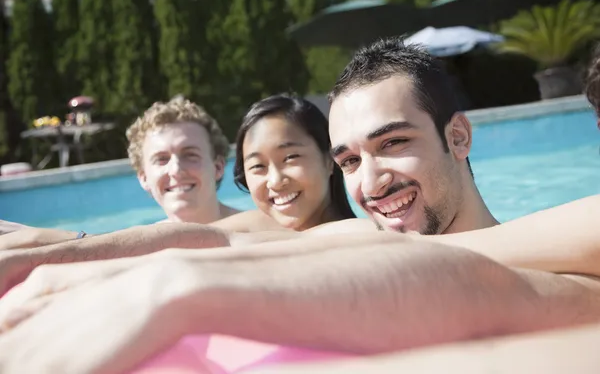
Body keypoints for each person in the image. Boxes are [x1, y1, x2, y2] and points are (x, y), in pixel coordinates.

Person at [0, 38, 600, 373]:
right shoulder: (351, 237)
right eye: (348, 160)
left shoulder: (569, 259)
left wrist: (177, 289)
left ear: (459, 136)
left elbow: (486, 282)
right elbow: (229, 239)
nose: (371, 181)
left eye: (393, 143)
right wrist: (60, 254)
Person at [0, 99, 240, 250]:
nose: (175, 169)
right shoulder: (138, 243)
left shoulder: (260, 228)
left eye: (190, 155)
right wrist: (31, 237)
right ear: (143, 178)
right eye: (161, 159)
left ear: (218, 167)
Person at [200, 94, 356, 232]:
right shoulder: (253, 229)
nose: (275, 182)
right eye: (258, 166)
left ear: (330, 159)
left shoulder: (363, 236)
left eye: (290, 157)